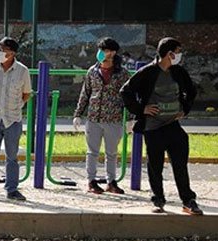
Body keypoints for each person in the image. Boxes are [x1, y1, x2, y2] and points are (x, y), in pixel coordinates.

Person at [120, 37, 202, 215]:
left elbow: (191, 90)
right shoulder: (148, 72)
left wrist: (184, 109)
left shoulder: (178, 72)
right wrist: (142, 109)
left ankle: (188, 201)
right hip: (153, 127)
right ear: (169, 54)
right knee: (155, 165)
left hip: (173, 125)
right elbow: (126, 92)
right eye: (178, 52)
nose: (180, 55)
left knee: (180, 164)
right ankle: (158, 199)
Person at [73, 37, 129, 195]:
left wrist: (131, 118)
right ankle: (91, 181)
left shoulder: (122, 73)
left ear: (113, 52)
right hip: (93, 117)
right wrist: (78, 114)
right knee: (92, 152)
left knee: (111, 153)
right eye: (101, 50)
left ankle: (111, 181)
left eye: (105, 50)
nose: (102, 53)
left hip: (113, 118)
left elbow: (128, 96)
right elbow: (85, 93)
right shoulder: (92, 71)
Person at [0, 37, 32, 201]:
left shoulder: (23, 71)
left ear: (12, 53)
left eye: (3, 49)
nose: (0, 52)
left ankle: (12, 189)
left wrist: (14, 106)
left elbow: (26, 94)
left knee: (12, 157)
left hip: (12, 119)